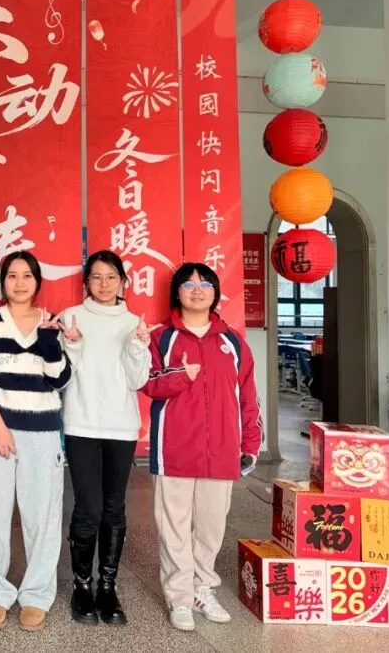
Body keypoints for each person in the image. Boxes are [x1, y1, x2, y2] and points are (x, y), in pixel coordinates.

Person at [144, 263, 263, 632]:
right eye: (188, 284)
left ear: (215, 293)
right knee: (174, 528)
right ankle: (179, 597)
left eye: (205, 284)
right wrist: (181, 375)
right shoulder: (161, 338)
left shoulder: (233, 341)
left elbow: (248, 396)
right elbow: (148, 384)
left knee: (211, 526)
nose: (197, 290)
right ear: (176, 292)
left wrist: (251, 442)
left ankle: (202, 588)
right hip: (174, 448)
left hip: (222, 449)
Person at [0, 250, 75, 632]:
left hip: (42, 434)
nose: (19, 282)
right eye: (12, 276)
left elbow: (60, 380)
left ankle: (36, 594)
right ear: (2, 283)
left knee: (42, 516)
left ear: (36, 281)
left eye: (26, 275)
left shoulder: (52, 323)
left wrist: (49, 341)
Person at [60, 250, 152, 625]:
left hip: (121, 427)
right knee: (88, 507)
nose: (103, 284)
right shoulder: (71, 317)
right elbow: (62, 376)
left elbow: (137, 380)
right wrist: (73, 344)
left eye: (111, 277)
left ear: (123, 282)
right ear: (86, 282)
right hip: (81, 425)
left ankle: (107, 587)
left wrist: (138, 345)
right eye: (96, 277)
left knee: (114, 507)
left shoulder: (133, 324)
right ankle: (82, 586)